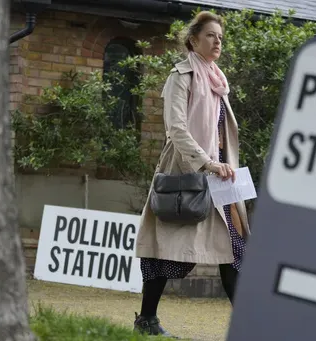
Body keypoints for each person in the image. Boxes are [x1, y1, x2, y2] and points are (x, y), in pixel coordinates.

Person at [133, 10, 251, 337]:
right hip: (186, 175)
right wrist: (207, 162)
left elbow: (220, 131)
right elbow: (176, 130)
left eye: (221, 38)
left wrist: (226, 162)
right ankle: (147, 320)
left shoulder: (217, 78)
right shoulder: (181, 76)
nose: (217, 42)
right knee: (165, 248)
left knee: (233, 249)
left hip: (220, 178)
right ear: (194, 39)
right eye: (211, 36)